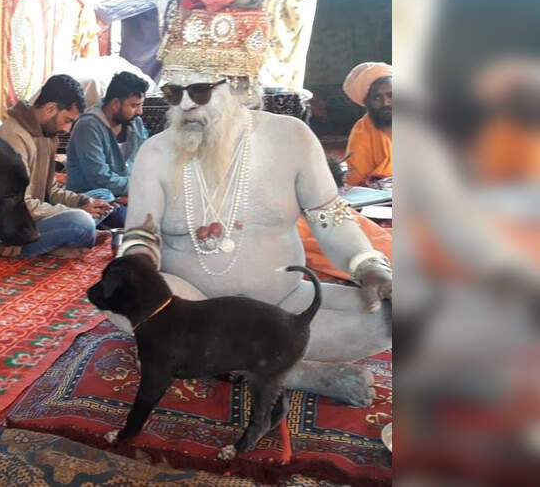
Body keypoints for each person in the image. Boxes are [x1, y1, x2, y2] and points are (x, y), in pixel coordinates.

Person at [120, 73, 392, 406]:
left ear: (240, 86)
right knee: (128, 298)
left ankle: (215, 361)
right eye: (174, 92)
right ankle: (296, 373)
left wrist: (368, 266)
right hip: (190, 313)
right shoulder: (155, 153)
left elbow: (331, 219)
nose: (186, 103)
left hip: (284, 309)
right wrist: (139, 264)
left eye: (201, 90)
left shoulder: (291, 137)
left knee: (392, 318)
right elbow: (139, 236)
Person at [0, 74, 116, 258]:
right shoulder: (13, 138)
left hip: (30, 216)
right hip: (3, 230)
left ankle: (63, 237)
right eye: (68, 120)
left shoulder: (46, 134)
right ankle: (58, 242)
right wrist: (75, 211)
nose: (67, 130)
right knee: (81, 222)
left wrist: (84, 202)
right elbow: (20, 204)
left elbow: (50, 190)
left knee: (103, 196)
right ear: (51, 108)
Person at [65, 71, 150, 228]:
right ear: (116, 104)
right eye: (134, 106)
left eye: (140, 105)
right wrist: (139, 189)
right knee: (131, 221)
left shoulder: (135, 123)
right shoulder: (88, 126)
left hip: (127, 194)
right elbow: (99, 178)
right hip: (93, 197)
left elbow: (146, 160)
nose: (140, 111)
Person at [343, 62, 393, 187]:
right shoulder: (361, 132)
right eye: (377, 98)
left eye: (391, 95)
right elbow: (356, 181)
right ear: (367, 103)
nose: (386, 103)